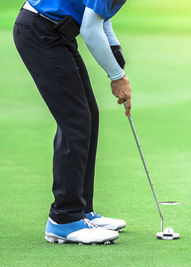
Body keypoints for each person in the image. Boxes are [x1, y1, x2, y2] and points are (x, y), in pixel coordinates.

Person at [13, 0, 132, 244]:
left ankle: (82, 211)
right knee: (75, 121)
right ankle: (64, 219)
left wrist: (116, 55)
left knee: (88, 114)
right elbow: (89, 29)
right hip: (40, 31)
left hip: (57, 34)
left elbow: (101, 18)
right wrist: (116, 76)